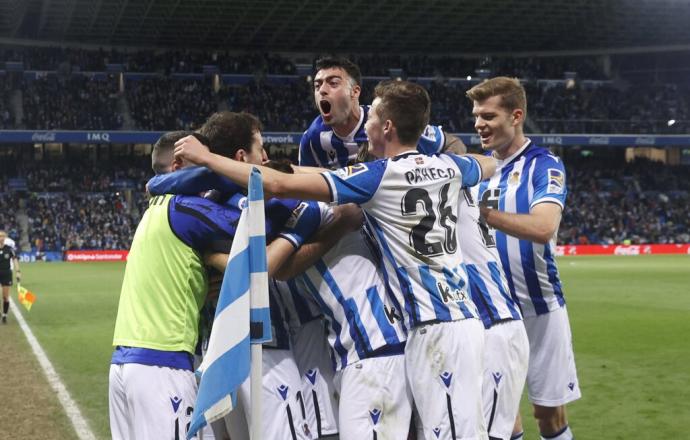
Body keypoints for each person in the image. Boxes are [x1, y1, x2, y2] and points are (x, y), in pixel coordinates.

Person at [174, 80, 497, 440]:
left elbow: (278, 185)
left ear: (387, 126)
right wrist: (447, 156)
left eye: (372, 115)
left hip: (431, 326)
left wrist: (205, 160)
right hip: (447, 321)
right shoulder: (448, 167)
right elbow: (486, 165)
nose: (367, 122)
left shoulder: (377, 178)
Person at [109, 118, 319, 440]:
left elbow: (158, 185)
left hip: (125, 364)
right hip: (162, 365)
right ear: (181, 163)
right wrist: (298, 222)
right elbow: (256, 224)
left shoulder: (157, 207)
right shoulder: (185, 208)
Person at [466, 77, 580, 440]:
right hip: (492, 313)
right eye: (476, 116)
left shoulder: (544, 165)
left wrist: (481, 213)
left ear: (516, 116)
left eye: (488, 115)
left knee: (548, 415)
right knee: (499, 418)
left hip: (540, 309)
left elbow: (545, 226)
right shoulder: (477, 171)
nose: (479, 124)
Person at [299, 57, 465, 169]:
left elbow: (453, 144)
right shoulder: (312, 139)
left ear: (355, 92)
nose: (322, 90)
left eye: (333, 83)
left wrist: (439, 176)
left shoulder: (386, 118)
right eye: (317, 85)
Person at [458, 185, 529, 440]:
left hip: (497, 326)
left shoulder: (453, 199)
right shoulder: (463, 193)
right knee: (504, 424)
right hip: (481, 329)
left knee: (488, 433)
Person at [0, 230, 20, 324]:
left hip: (6, 273)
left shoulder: (9, 249)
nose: (1, 238)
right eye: (0, 236)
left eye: (3, 236)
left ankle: (4, 315)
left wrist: (18, 271)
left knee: (5, 297)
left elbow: (15, 260)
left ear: (5, 238)